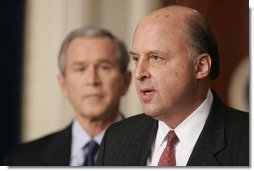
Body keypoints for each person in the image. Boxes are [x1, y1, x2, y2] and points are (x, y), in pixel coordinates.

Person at [95, 5, 249, 166]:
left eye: (155, 58)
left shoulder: (247, 140)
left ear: (201, 66)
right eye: (136, 59)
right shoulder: (116, 138)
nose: (139, 73)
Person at [3, 26, 131, 166]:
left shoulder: (152, 152)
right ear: (63, 84)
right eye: (80, 69)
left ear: (125, 81)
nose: (92, 80)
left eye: (104, 67)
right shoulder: (20, 160)